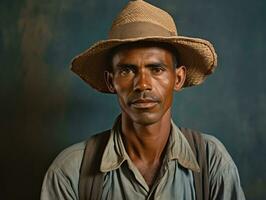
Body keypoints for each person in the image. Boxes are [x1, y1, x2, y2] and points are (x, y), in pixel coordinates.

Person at [40, 0, 245, 199]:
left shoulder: (211, 161)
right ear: (111, 81)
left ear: (179, 78)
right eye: (127, 70)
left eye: (157, 69)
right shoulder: (70, 171)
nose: (143, 84)